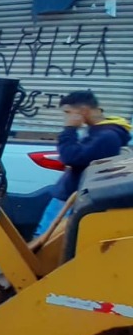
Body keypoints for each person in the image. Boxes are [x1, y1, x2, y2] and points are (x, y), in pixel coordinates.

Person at [35, 91, 130, 237]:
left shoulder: (106, 136)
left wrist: (69, 129)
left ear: (84, 111)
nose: (66, 118)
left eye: (68, 112)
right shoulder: (99, 132)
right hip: (70, 196)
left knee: (46, 241)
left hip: (72, 199)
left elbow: (71, 157)